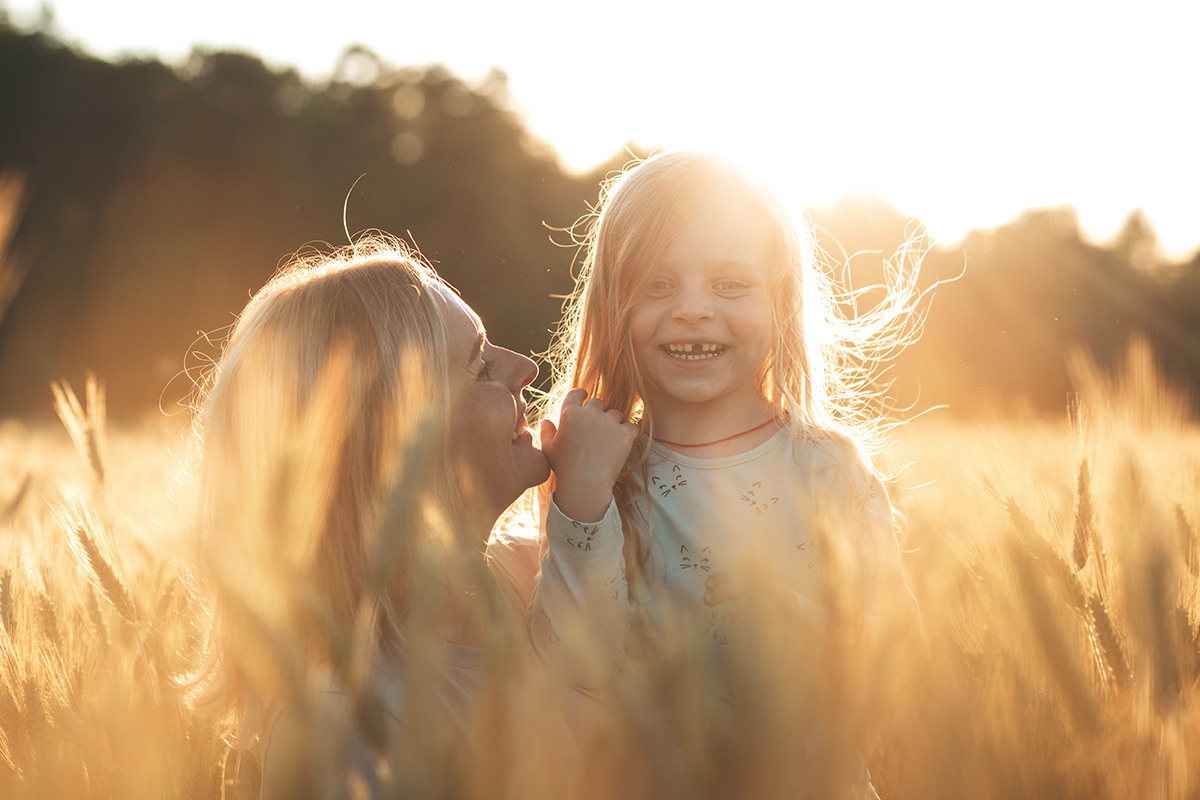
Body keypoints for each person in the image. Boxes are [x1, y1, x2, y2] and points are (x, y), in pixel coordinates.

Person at [530, 152, 926, 794]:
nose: (692, 309)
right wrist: (580, 495)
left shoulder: (826, 467)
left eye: (731, 285)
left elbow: (897, 657)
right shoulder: (602, 472)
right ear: (612, 304)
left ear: (782, 303)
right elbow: (580, 661)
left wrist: (791, 616)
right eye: (656, 285)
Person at [185, 235, 552, 798]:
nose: (525, 367)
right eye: (479, 365)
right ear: (393, 444)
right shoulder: (341, 733)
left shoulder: (545, 576)